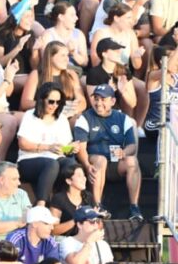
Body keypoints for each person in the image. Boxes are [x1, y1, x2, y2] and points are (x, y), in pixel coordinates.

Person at [73, 85, 142, 220]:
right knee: (101, 160)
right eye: (96, 99)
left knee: (132, 161)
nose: (99, 103)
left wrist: (124, 152)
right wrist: (87, 165)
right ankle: (97, 206)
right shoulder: (84, 118)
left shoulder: (123, 119)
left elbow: (132, 146)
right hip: (94, 161)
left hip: (115, 164)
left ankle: (134, 207)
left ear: (113, 101)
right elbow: (81, 147)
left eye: (103, 99)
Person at [16, 82, 76, 205]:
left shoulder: (62, 119)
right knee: (52, 164)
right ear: (42, 99)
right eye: (51, 101)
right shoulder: (29, 116)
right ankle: (41, 204)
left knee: (72, 165)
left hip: (56, 158)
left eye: (58, 102)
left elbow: (65, 145)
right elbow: (22, 143)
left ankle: (75, 203)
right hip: (29, 159)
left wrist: (71, 148)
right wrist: (48, 147)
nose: (55, 105)